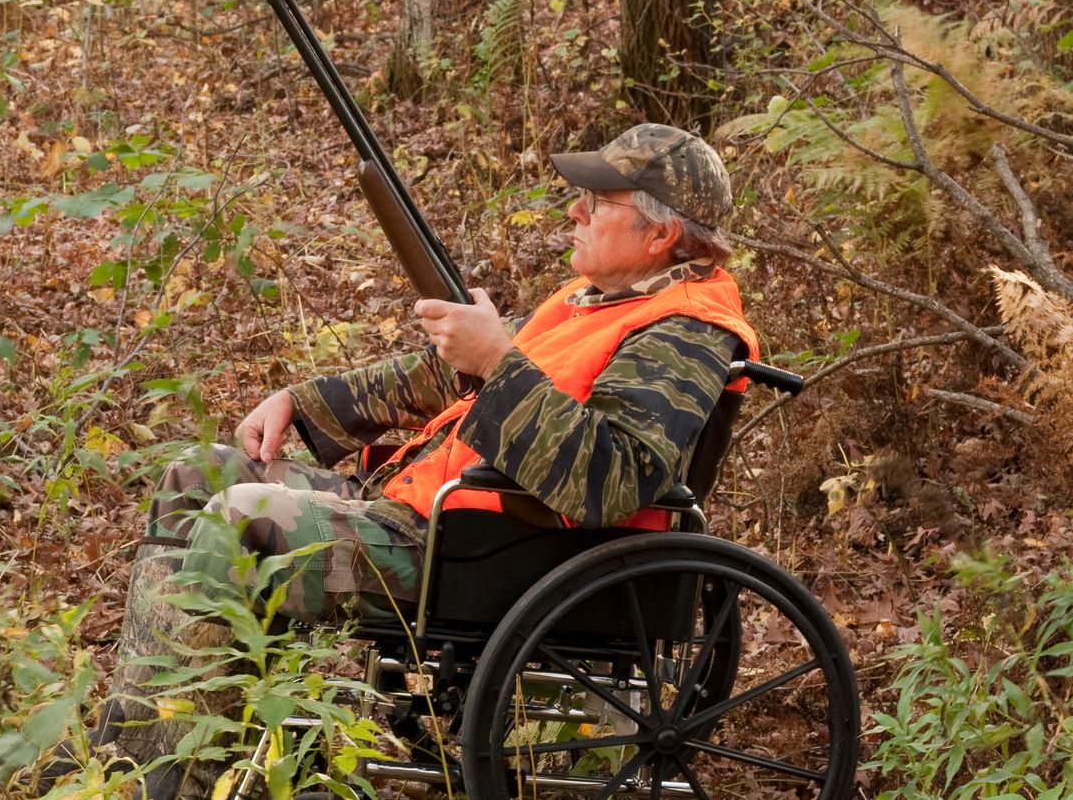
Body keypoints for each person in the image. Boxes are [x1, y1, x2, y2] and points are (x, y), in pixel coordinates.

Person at [55, 123, 760, 798]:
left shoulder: (684, 332)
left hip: (488, 551)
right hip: (440, 516)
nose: (574, 209)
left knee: (245, 522)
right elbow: (441, 377)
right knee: (198, 475)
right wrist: (300, 402)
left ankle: (178, 781)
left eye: (597, 202)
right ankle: (136, 741)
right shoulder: (597, 303)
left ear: (660, 234)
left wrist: (499, 359)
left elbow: (611, 478)